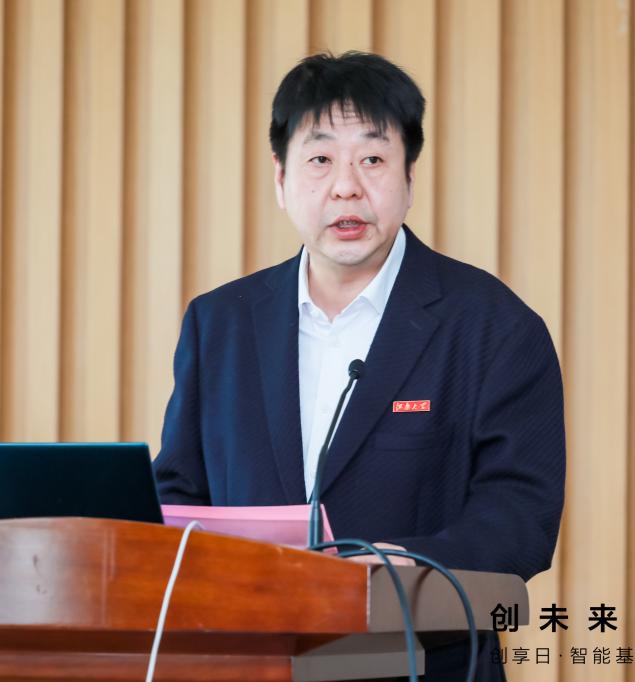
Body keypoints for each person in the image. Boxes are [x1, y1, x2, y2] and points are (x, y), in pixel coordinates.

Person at [153, 51, 565, 681]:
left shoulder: (492, 326)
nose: (346, 186)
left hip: (420, 663)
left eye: (372, 159)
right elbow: (179, 494)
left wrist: (408, 565)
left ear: (409, 176)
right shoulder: (220, 324)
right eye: (320, 159)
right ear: (280, 178)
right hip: (246, 661)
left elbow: (521, 515)